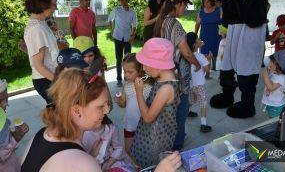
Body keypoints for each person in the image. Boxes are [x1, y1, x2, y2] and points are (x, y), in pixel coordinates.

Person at [21, 69, 182, 172]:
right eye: (100, 107)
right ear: (77, 110)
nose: (107, 111)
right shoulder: (83, 164)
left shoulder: (39, 136)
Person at [154, 0, 201, 151]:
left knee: (168, 113)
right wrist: (197, 64)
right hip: (176, 77)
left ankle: (169, 142)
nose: (185, 9)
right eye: (185, 6)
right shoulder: (175, 24)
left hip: (162, 75)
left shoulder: (161, 21)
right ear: (179, 4)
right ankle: (177, 147)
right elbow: (186, 52)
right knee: (180, 113)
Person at [131, 38, 180, 168]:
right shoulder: (163, 81)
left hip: (154, 140)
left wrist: (139, 91)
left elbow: (147, 118)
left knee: (150, 166)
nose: (143, 68)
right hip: (151, 134)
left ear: (156, 65)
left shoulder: (166, 89)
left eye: (145, 64)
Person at [24, 0, 59, 104]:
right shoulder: (36, 28)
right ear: (42, 4)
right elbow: (38, 65)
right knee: (65, 116)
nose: (56, 8)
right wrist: (61, 82)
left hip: (50, 77)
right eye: (54, 4)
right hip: (46, 80)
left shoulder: (41, 23)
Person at [115, 53, 152, 155]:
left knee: (144, 150)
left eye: (130, 72)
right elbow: (123, 104)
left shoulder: (148, 87)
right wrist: (119, 100)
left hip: (144, 127)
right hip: (129, 125)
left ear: (140, 70)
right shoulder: (126, 86)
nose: (126, 75)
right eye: (124, 71)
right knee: (128, 150)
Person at [108, 0, 138, 87]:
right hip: (118, 37)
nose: (121, 1)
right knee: (118, 59)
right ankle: (119, 79)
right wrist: (112, 31)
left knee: (128, 59)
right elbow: (110, 20)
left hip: (127, 38)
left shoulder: (132, 12)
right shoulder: (116, 10)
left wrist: (133, 35)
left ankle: (127, 77)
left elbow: (135, 25)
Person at [186, 33, 213, 133]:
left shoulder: (186, 55)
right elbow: (208, 70)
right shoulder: (200, 56)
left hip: (190, 84)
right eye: (198, 39)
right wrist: (209, 60)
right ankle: (203, 124)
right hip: (199, 85)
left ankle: (187, 112)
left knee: (191, 100)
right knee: (203, 103)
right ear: (194, 44)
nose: (200, 39)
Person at [0, 79, 29, 172]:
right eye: (0, 101)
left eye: (6, 98)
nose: (6, 104)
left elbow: (7, 136)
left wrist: (17, 132)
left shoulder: (3, 119)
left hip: (13, 164)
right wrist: (16, 138)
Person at [195, 0, 222, 73]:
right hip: (204, 35)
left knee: (217, 54)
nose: (205, 4)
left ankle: (218, 71)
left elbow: (223, 22)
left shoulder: (219, 10)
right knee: (205, 54)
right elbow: (197, 24)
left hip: (216, 35)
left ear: (212, 2)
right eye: (204, 2)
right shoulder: (201, 12)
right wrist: (195, 34)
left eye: (207, 2)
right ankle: (207, 72)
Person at [261, 50, 285, 118]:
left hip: (276, 105)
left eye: (272, 62)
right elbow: (268, 81)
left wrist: (265, 77)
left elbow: (271, 88)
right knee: (271, 119)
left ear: (279, 65)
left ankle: (277, 127)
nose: (269, 63)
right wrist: (266, 75)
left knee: (274, 121)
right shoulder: (274, 72)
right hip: (272, 102)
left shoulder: (281, 77)